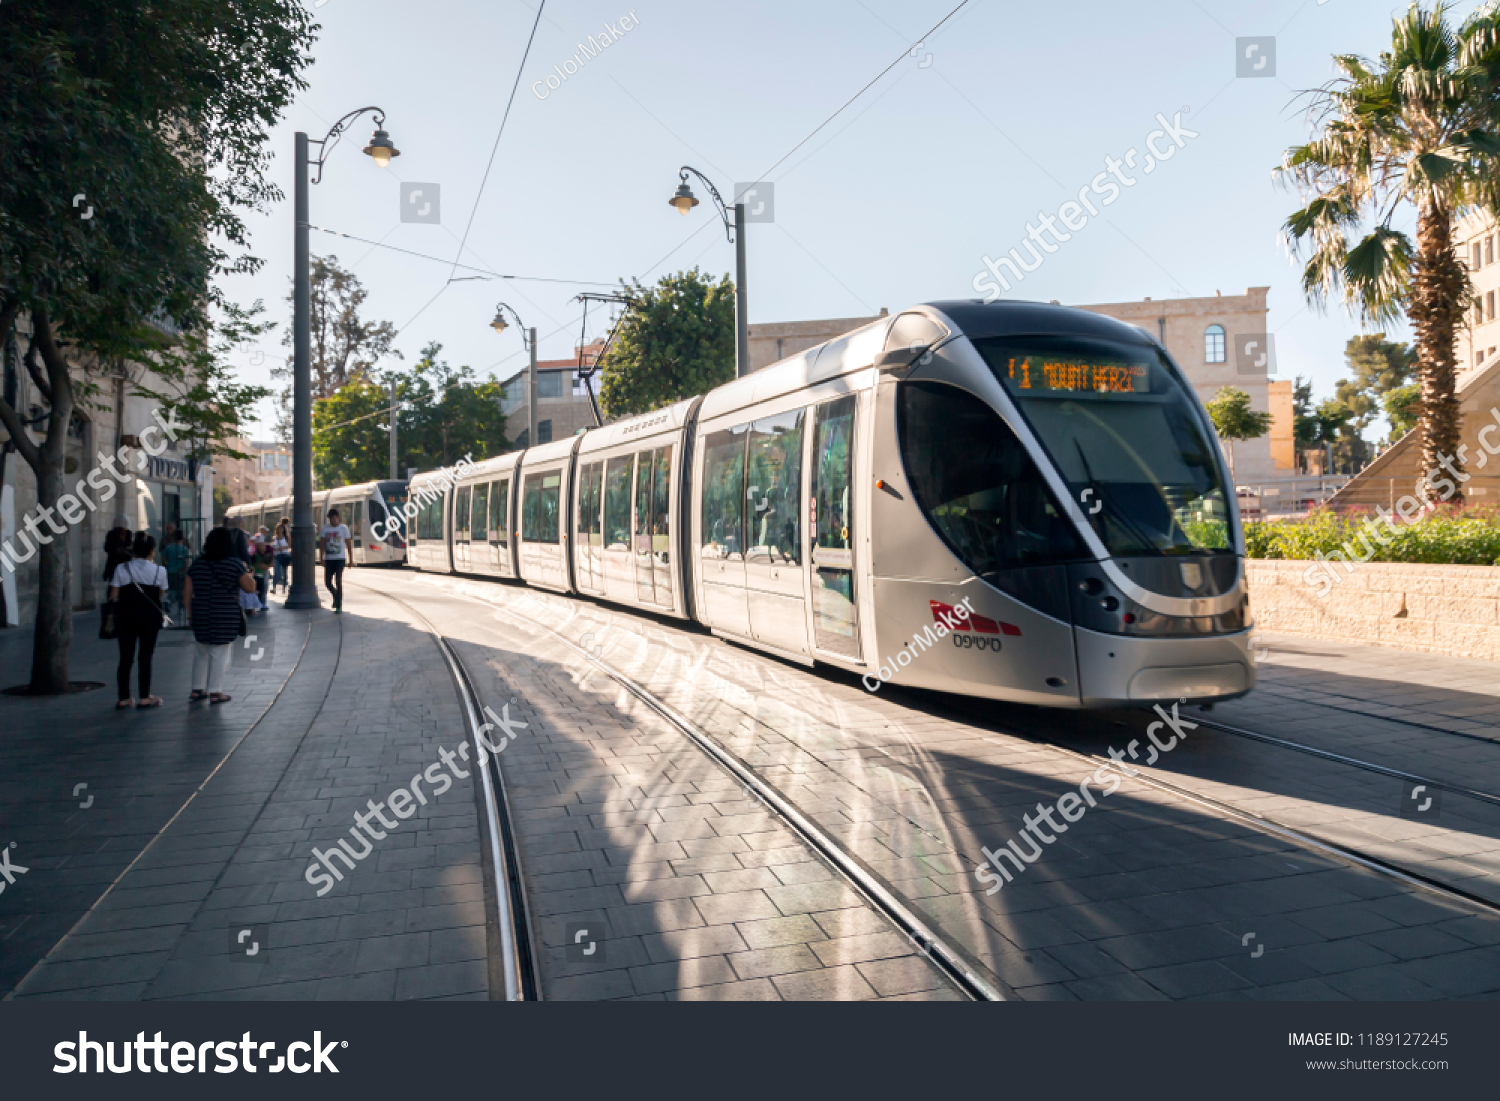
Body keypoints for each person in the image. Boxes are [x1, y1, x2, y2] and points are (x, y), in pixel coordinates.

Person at [183, 526, 255, 704]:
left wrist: (190, 615)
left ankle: (197, 689)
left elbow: (186, 591)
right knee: (219, 652)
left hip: (200, 613)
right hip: (224, 615)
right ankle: (215, 692)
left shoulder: (198, 564)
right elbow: (250, 587)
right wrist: (248, 573)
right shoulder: (234, 564)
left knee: (201, 651)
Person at [109, 532, 168, 709]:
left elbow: (114, 595)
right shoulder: (160, 571)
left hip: (125, 617)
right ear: (152, 550)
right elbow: (161, 593)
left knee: (125, 658)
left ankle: (124, 697)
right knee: (145, 656)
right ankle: (144, 696)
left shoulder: (122, 568)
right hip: (150, 618)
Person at [320, 507, 351, 613]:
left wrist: (351, 559)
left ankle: (339, 604)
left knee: (338, 581)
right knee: (327, 582)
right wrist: (321, 557)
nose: (332, 520)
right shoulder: (325, 528)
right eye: (330, 518)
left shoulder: (344, 528)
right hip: (329, 559)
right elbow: (322, 543)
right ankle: (335, 595)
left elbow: (348, 543)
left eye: (334, 518)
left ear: (338, 517)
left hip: (340, 559)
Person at [162, 531, 191, 621]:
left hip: (171, 572)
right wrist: (184, 570)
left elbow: (163, 559)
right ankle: (181, 608)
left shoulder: (168, 548)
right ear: (182, 538)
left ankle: (170, 607)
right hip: (181, 573)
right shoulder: (184, 549)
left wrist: (168, 566)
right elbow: (186, 562)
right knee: (181, 590)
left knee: (171, 590)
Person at [103, 515, 133, 582]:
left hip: (115, 564)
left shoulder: (112, 533)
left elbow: (106, 548)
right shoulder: (127, 533)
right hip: (121, 564)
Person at [252, 527, 273, 612]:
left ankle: (263, 603)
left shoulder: (268, 549)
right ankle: (254, 604)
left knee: (264, 585)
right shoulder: (253, 551)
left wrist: (265, 566)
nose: (261, 547)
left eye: (262, 544)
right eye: (258, 545)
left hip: (263, 572)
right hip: (255, 573)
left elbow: (272, 562)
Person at [272, 518, 292, 594]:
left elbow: (289, 546)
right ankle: (274, 588)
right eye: (278, 528)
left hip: (285, 555)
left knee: (284, 573)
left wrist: (281, 547)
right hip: (277, 556)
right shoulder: (274, 538)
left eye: (281, 528)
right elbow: (272, 546)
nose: (280, 530)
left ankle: (284, 588)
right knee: (276, 572)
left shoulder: (287, 537)